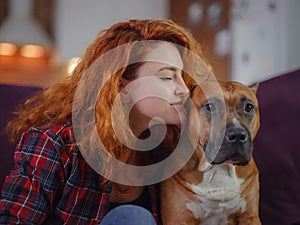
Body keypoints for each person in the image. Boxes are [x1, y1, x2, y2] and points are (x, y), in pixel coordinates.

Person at [0, 19, 212, 224]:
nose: (184, 90)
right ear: (121, 86)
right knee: (133, 218)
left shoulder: (167, 150)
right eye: (167, 77)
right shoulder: (56, 144)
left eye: (183, 77)